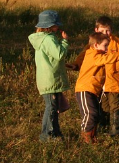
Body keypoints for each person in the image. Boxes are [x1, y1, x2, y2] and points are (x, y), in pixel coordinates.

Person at [72, 16, 119, 136]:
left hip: (115, 79)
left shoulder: (118, 43)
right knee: (103, 106)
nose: (106, 33)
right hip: (100, 83)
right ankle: (103, 127)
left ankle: (117, 130)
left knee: (116, 105)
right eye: (102, 31)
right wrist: (76, 64)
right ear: (96, 30)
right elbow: (83, 56)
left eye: (108, 30)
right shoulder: (93, 45)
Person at [28, 10, 70, 142]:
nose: (58, 27)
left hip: (47, 79)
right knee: (51, 108)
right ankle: (47, 135)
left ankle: (55, 133)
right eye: (56, 25)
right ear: (50, 26)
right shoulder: (48, 39)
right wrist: (65, 42)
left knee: (53, 107)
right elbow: (59, 55)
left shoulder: (41, 39)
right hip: (50, 79)